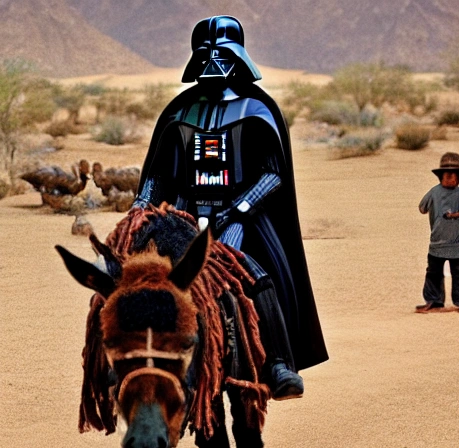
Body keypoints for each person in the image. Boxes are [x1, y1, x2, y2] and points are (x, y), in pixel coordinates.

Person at [134, 15, 328, 398]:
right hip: (184, 215)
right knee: (137, 279)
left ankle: (276, 361)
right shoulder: (178, 112)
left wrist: (239, 211)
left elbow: (273, 175)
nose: (212, 65)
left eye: (220, 55)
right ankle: (130, 362)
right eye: (205, 56)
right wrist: (143, 204)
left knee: (253, 274)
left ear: (238, 57)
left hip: (240, 216)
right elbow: (160, 172)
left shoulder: (257, 110)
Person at [416, 152, 459, 313]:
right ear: (440, 176)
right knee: (433, 273)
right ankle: (434, 301)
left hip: (458, 244)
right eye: (447, 175)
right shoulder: (434, 192)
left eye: (454, 175)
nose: (451, 178)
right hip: (437, 243)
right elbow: (422, 208)